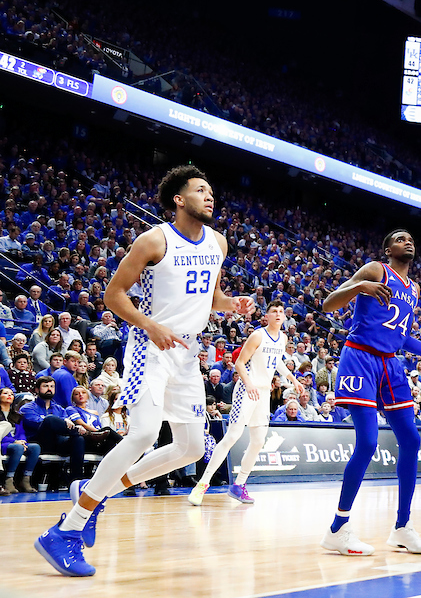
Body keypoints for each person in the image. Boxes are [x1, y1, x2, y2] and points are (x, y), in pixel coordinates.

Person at [35, 165, 255, 577]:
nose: (210, 196)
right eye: (201, 190)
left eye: (211, 190)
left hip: (188, 353)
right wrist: (149, 325)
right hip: (149, 348)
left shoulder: (219, 243)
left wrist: (232, 304)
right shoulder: (154, 240)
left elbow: (212, 298)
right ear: (179, 199)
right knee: (142, 433)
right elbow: (113, 294)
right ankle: (66, 530)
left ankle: (94, 493)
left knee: (191, 447)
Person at [319, 228, 421, 557]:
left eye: (411, 238)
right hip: (360, 358)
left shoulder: (415, 289)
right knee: (368, 443)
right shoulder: (375, 270)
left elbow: (402, 339)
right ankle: (337, 529)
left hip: (390, 365)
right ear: (387, 250)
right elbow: (327, 304)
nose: (407, 241)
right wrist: (359, 287)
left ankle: (402, 528)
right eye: (399, 238)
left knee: (411, 440)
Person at [190, 300, 302, 506]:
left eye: (280, 311)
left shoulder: (283, 338)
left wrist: (292, 378)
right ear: (266, 316)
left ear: (285, 317)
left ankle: (239, 485)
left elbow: (276, 361)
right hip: (246, 390)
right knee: (232, 436)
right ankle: (202, 485)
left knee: (259, 441)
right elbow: (240, 363)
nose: (278, 314)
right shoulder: (257, 335)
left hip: (263, 393)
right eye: (273, 311)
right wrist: (249, 384)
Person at [2, 387, 40, 494]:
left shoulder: (17, 415)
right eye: (5, 393)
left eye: (11, 394)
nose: (9, 395)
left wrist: (22, 441)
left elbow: (21, 432)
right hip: (3, 443)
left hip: (17, 443)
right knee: (17, 447)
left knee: (35, 447)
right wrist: (14, 442)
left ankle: (25, 480)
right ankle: (8, 480)